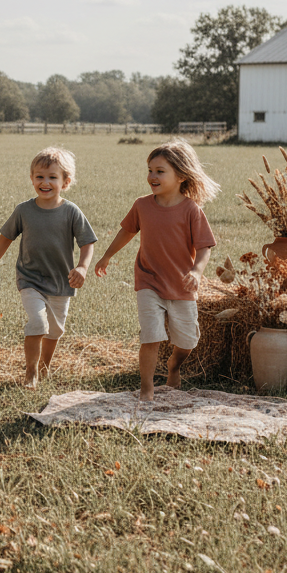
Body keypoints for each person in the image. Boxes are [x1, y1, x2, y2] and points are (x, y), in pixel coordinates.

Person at [94, 139, 220, 401]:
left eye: (160, 171)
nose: (152, 176)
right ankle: (147, 389)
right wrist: (106, 256)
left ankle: (174, 366)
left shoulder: (191, 210)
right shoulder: (142, 205)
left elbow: (205, 247)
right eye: (150, 169)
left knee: (187, 341)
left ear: (181, 176)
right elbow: (127, 231)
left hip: (180, 286)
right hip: (148, 280)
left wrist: (196, 272)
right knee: (150, 336)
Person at [0, 147, 97, 388]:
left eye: (52, 177)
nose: (45, 182)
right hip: (30, 279)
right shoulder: (24, 210)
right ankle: (31, 372)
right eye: (39, 176)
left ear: (65, 182)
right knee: (38, 323)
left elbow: (87, 243)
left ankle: (45, 366)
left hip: (60, 281)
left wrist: (83, 268)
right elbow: (6, 237)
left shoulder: (71, 212)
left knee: (55, 331)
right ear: (32, 178)